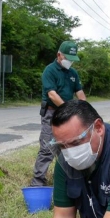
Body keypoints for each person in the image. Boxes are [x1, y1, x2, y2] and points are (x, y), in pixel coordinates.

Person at [31, 40, 87, 187]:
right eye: (67, 58)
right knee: (47, 148)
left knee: (67, 147)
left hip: (67, 116)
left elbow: (80, 93)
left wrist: (85, 110)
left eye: (72, 60)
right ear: (59, 55)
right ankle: (38, 182)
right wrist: (68, 109)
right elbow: (52, 95)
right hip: (51, 114)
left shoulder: (73, 73)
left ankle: (65, 180)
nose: (70, 62)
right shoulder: (49, 71)